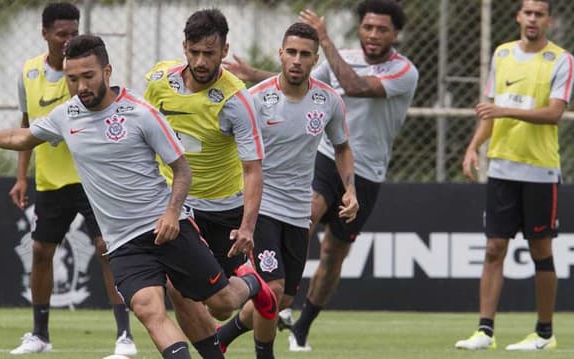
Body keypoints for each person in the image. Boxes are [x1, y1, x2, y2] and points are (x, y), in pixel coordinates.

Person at [0, 34, 278, 359]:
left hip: (166, 227)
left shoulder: (141, 113)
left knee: (221, 303)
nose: (81, 86)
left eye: (88, 76)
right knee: (148, 309)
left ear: (107, 71)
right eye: (72, 79)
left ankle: (249, 280)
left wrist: (173, 214)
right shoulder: (66, 116)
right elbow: (20, 137)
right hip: (123, 243)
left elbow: (182, 170)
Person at [223, 0, 417, 352]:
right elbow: (296, 84)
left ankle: (300, 325)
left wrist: (324, 42)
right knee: (307, 217)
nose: (373, 35)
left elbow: (353, 85)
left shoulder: (404, 71)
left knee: (333, 254)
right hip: (321, 159)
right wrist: (254, 74)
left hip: (368, 169)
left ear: (395, 34)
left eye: (382, 29)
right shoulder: (329, 58)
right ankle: (270, 279)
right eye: (368, 27)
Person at [216, 22, 358, 358]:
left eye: (304, 54)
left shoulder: (328, 101)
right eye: (291, 52)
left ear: (314, 59)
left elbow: (342, 147)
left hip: (299, 212)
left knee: (282, 298)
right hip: (259, 207)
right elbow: (221, 143)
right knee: (273, 289)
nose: (296, 59)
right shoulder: (255, 99)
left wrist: (349, 190)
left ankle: (222, 335)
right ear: (280, 53)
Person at [142, 8, 273, 358]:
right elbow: (143, 131)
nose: (201, 61)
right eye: (195, 51)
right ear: (184, 46)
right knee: (177, 287)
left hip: (222, 207)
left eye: (210, 54)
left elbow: (252, 170)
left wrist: (247, 227)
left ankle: (249, 282)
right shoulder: (158, 81)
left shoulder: (237, 100)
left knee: (221, 306)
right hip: (176, 203)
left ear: (225, 51)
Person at [7, 3, 135, 355]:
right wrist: (22, 177)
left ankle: (124, 335)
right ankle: (40, 335)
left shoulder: (83, 71)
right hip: (51, 180)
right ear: (45, 33)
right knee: (40, 250)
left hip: (92, 177)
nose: (68, 41)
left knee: (106, 249)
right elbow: (25, 127)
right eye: (61, 34)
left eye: (73, 34)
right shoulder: (29, 73)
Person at [455, 0, 573, 351]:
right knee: (494, 248)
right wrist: (473, 145)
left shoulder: (562, 60)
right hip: (502, 168)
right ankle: (485, 331)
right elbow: (489, 113)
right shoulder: (502, 53)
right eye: (528, 13)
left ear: (548, 21)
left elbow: (553, 114)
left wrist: (505, 109)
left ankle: (544, 333)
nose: (533, 19)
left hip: (539, 170)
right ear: (518, 17)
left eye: (540, 14)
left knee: (541, 251)